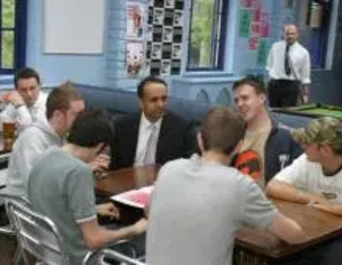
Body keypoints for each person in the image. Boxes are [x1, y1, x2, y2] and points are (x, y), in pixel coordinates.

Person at [146, 106, 307, 265]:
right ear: (239, 146)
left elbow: (148, 210)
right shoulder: (240, 186)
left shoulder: (169, 168)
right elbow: (295, 236)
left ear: (200, 139)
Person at [27, 110, 147, 265]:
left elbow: (52, 201)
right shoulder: (79, 172)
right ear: (100, 146)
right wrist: (135, 229)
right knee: (145, 240)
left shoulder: (47, 154)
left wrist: (93, 209)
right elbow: (94, 241)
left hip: (47, 251)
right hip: (79, 258)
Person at [266, 117, 342, 265]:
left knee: (335, 259)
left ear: (325, 149)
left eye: (307, 143)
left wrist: (327, 205)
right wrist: (312, 198)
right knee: (284, 255)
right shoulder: (307, 160)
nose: (302, 146)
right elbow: (273, 186)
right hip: (319, 236)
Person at [6, 82, 85, 198]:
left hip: (53, 200)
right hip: (27, 208)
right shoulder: (32, 138)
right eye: (77, 115)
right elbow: (38, 187)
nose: (82, 119)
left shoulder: (64, 134)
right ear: (58, 115)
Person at [110, 76, 195, 170]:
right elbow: (113, 164)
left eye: (164, 99)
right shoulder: (122, 126)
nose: (160, 105)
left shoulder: (182, 128)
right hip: (127, 181)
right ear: (141, 103)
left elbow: (189, 165)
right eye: (154, 100)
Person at [231, 77, 300, 188]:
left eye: (245, 98)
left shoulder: (286, 136)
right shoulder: (232, 134)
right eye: (236, 100)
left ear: (262, 98)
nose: (239, 104)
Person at [266, 24, 311, 107]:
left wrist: (305, 94)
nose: (290, 36)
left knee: (287, 112)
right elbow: (269, 66)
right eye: (287, 33)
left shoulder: (303, 52)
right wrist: (269, 83)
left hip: (291, 85)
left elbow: (305, 75)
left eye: (292, 34)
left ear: (297, 35)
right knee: (273, 112)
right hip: (275, 84)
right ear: (283, 34)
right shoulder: (275, 47)